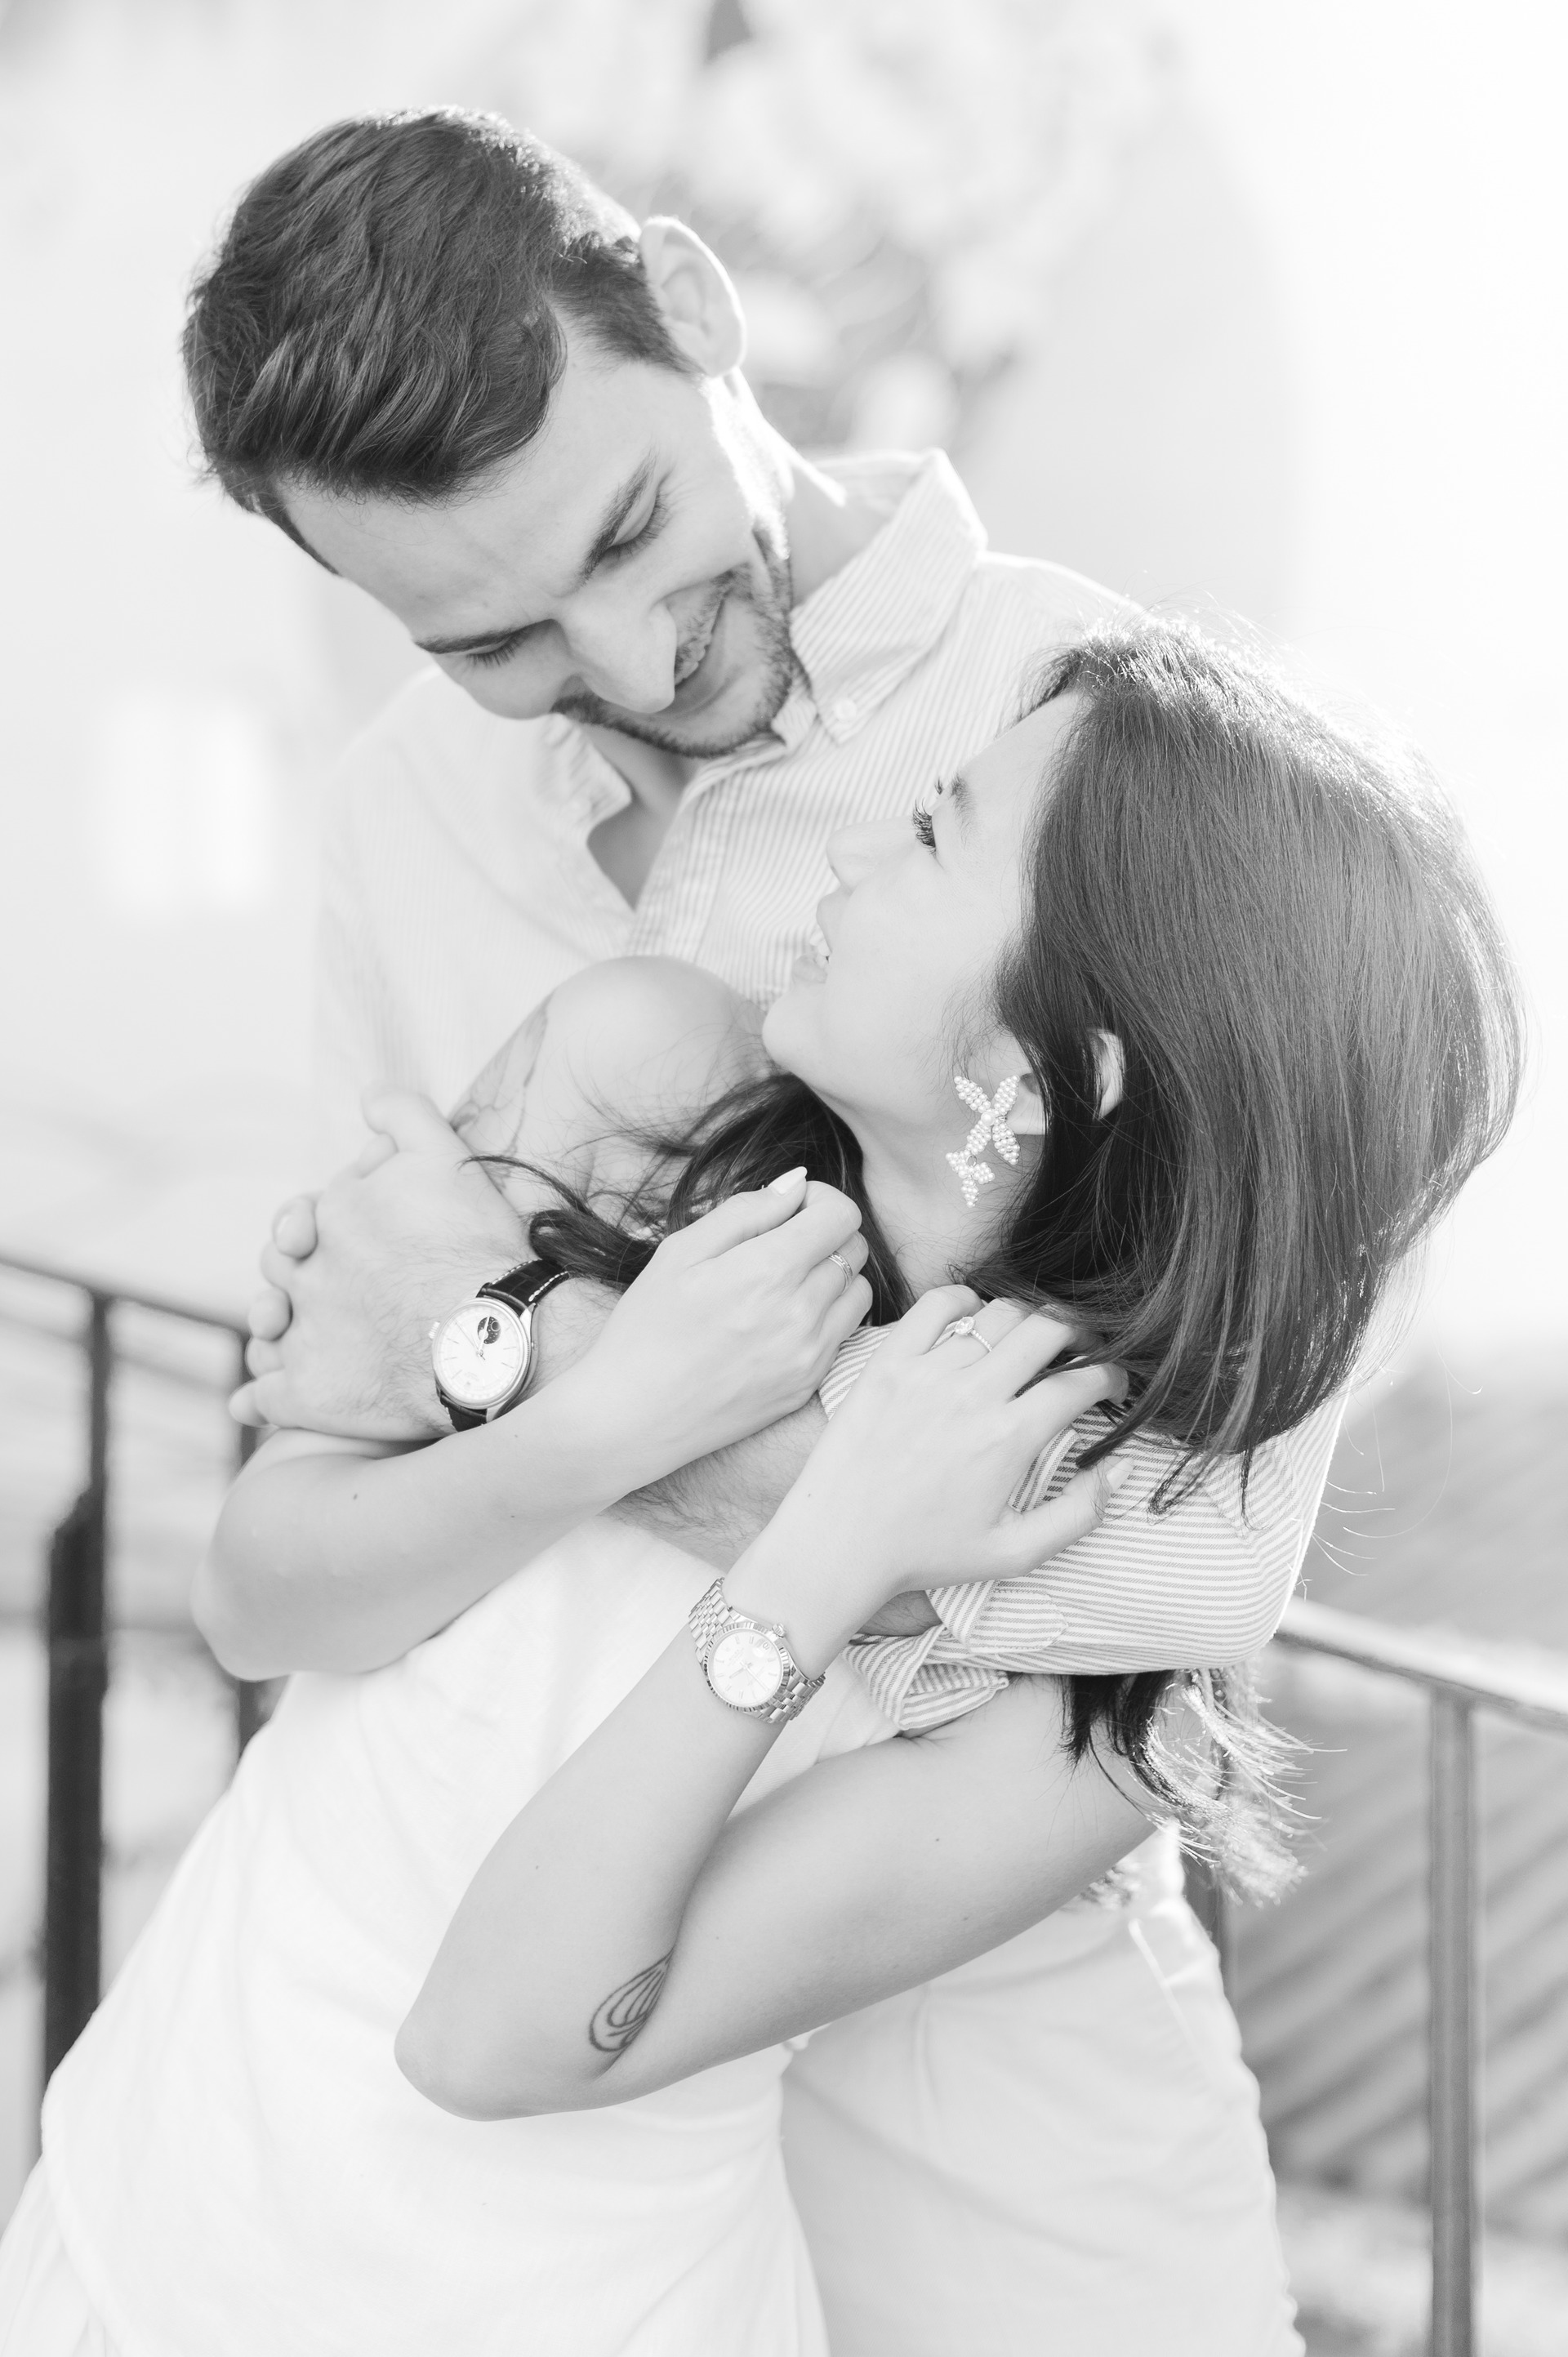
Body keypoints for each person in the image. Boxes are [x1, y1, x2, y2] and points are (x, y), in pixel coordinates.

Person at [0, 622, 1521, 2356]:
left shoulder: (1081, 1686)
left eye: (935, 834)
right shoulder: (634, 1076)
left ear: (1055, 1064)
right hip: (143, 2211)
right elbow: (255, 1594)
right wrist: (608, 1410)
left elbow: (494, 2036)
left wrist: (826, 1551)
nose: (855, 843)